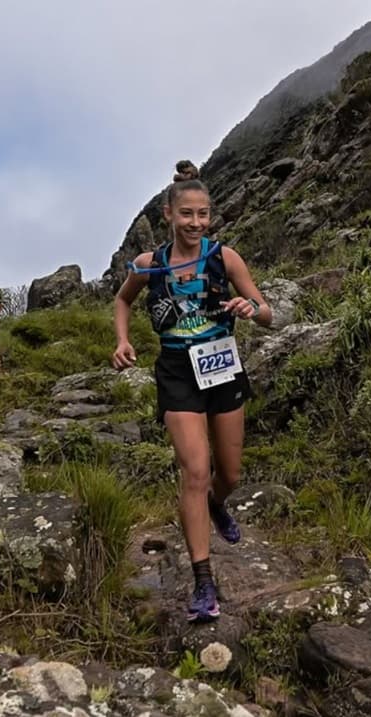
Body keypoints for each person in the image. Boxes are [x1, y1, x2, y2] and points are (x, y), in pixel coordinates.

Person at [112, 160, 273, 623]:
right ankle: (204, 582)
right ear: (168, 214)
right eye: (187, 214)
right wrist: (122, 341)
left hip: (223, 365)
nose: (195, 223)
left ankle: (217, 506)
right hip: (177, 371)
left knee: (230, 475)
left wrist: (251, 308)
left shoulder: (226, 258)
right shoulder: (150, 264)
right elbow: (123, 299)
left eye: (203, 214)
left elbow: (268, 312)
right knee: (195, 472)